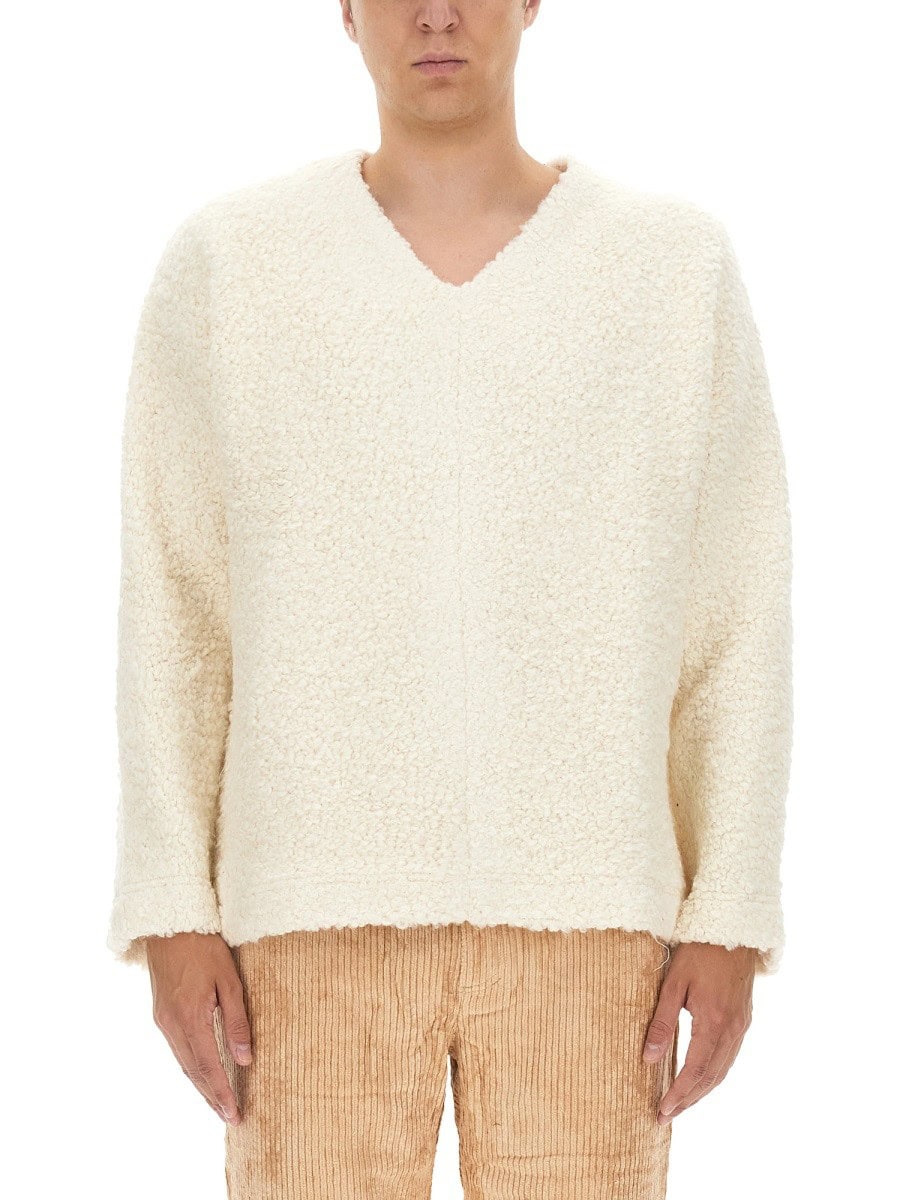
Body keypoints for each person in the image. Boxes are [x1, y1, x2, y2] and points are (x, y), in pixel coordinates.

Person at [106, 2, 793, 1197]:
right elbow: (176, 607)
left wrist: (730, 907)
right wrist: (172, 905)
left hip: (592, 918)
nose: (435, 12)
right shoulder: (232, 265)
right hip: (307, 918)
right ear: (344, 7)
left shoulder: (669, 270)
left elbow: (734, 609)